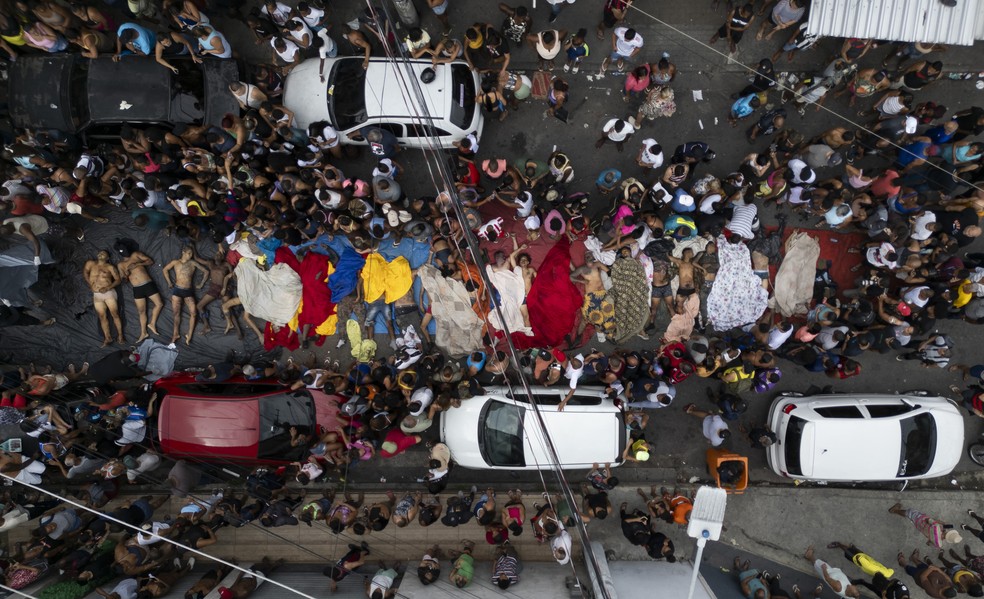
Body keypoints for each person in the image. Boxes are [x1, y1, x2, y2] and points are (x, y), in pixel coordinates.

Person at [162, 246, 209, 345]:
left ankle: (189, 335)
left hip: (188, 291)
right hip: (177, 290)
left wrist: (201, 284)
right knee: (176, 314)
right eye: (189, 253)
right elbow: (165, 270)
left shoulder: (193, 263)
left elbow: (206, 271)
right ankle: (175, 334)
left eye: (192, 254)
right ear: (183, 252)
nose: (191, 256)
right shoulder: (175, 262)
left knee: (194, 313)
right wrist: (169, 282)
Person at [117, 246, 163, 343]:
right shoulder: (120, 264)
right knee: (141, 311)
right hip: (137, 288)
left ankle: (152, 323)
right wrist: (126, 274)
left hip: (147, 284)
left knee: (159, 304)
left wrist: (137, 264)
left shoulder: (136, 254)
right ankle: (143, 333)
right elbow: (124, 280)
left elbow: (150, 261)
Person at [84, 250, 125, 347]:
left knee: (115, 314)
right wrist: (90, 284)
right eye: (99, 252)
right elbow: (85, 272)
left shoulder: (110, 267)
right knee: (102, 317)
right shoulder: (90, 264)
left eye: (103, 253)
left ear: (107, 258)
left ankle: (120, 336)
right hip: (97, 295)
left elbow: (118, 280)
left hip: (108, 293)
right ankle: (107, 338)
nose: (100, 253)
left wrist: (107, 287)